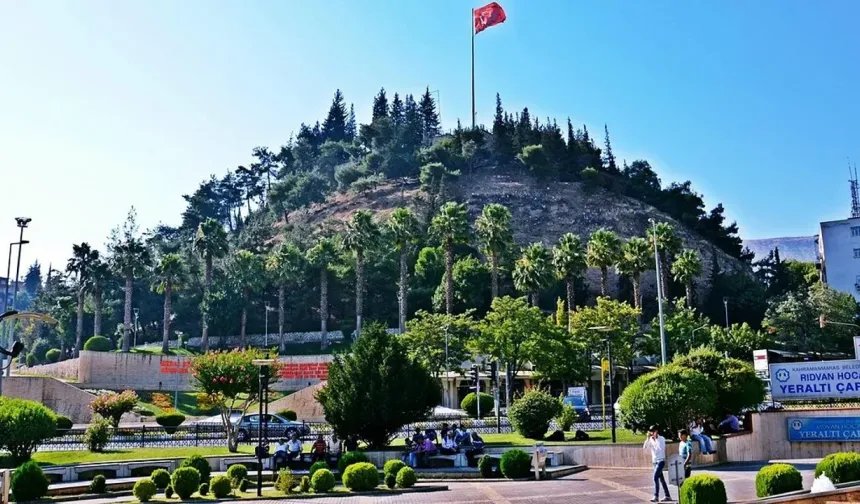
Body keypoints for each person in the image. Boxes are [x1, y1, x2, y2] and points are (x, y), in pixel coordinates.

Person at [643, 425, 672, 503]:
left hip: (661, 461)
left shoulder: (661, 439)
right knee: (661, 479)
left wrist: (656, 439)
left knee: (655, 477)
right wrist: (647, 439)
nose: (651, 433)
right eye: (650, 432)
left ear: (656, 431)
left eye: (653, 431)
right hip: (654, 462)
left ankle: (656, 496)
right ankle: (667, 495)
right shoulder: (650, 439)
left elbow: (661, 448)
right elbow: (645, 448)